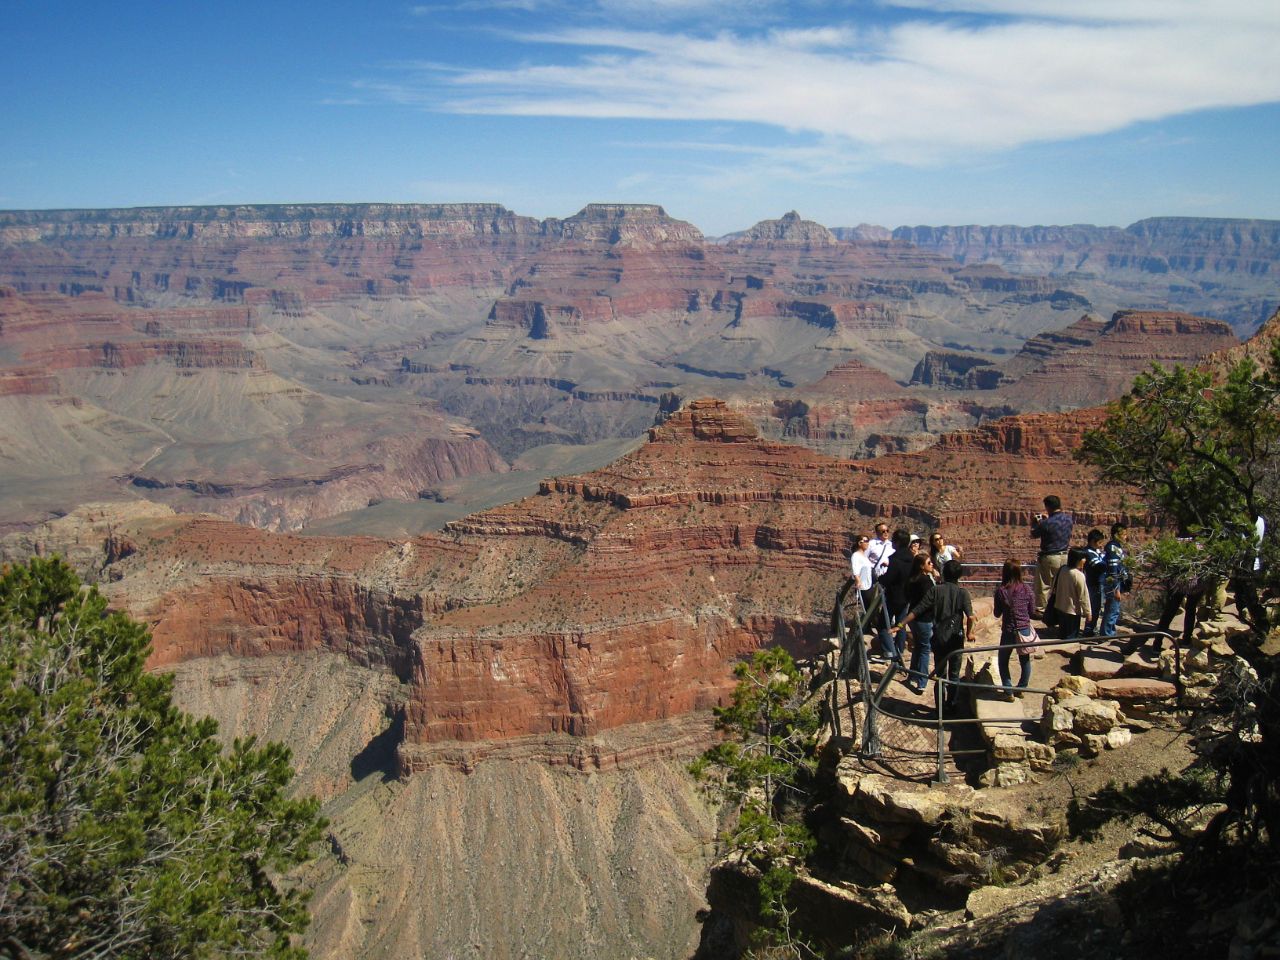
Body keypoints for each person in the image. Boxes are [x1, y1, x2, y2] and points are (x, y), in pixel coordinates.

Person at [899, 559, 974, 710]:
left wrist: (901, 624)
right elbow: (970, 617)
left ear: (944, 574)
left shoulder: (936, 590)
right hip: (956, 639)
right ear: (959, 575)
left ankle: (939, 708)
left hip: (939, 637)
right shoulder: (962, 593)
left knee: (940, 675)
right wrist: (969, 633)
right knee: (954, 674)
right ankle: (952, 705)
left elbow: (918, 609)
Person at [993, 558, 1035, 698]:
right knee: (1025, 660)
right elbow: (1032, 611)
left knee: (1003, 660)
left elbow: (997, 613)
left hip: (1009, 630)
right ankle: (1021, 688)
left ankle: (1008, 691)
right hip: (1024, 629)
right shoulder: (1027, 589)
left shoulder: (1001, 591)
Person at [898, 553, 937, 693]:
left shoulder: (912, 579)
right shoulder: (925, 581)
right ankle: (922, 682)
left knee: (918, 647)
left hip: (913, 618)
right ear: (922, 566)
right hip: (924, 619)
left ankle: (912, 676)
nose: (932, 564)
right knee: (925, 650)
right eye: (929, 563)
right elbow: (930, 600)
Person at [874, 529, 914, 661]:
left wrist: (880, 578)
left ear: (897, 542)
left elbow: (889, 579)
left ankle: (889, 652)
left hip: (894, 596)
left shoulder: (895, 560)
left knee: (883, 624)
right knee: (901, 624)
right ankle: (899, 650)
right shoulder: (912, 558)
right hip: (908, 595)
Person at [1031, 495, 1074, 616]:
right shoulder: (1068, 520)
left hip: (1049, 557)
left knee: (1044, 584)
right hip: (1065, 556)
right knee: (1061, 585)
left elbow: (1034, 534)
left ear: (1048, 506)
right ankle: (1062, 609)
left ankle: (1041, 610)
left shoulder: (1046, 523)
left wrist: (1035, 523)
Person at [1052, 547, 1091, 640]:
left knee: (1062, 634)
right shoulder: (1078, 575)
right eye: (1083, 558)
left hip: (1060, 607)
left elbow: (1055, 585)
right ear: (1078, 560)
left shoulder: (1063, 569)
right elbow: (1083, 596)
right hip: (1072, 611)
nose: (1085, 560)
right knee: (1071, 636)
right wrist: (1088, 612)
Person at [1100, 523, 1129, 637]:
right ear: (1117, 535)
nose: (1126, 537)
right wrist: (1116, 589)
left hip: (1115, 583)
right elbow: (1113, 570)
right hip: (1112, 583)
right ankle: (1107, 634)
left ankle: (1109, 631)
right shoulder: (1113, 548)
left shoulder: (1116, 546)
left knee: (1114, 609)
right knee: (1112, 609)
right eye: (1124, 534)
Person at [849, 532, 876, 629]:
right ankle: (866, 628)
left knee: (870, 607)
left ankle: (867, 627)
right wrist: (858, 581)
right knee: (867, 608)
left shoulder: (864, 555)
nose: (868, 543)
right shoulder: (856, 555)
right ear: (859, 543)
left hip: (869, 584)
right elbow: (855, 569)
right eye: (866, 541)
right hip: (864, 586)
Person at [1082, 528, 1107, 636]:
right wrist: (1109, 560)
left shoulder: (1095, 551)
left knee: (1096, 608)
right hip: (1093, 584)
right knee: (1092, 608)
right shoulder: (1088, 553)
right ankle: (1088, 630)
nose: (1101, 545)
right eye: (1100, 542)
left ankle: (1092, 628)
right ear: (1092, 541)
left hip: (1098, 583)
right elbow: (1099, 566)